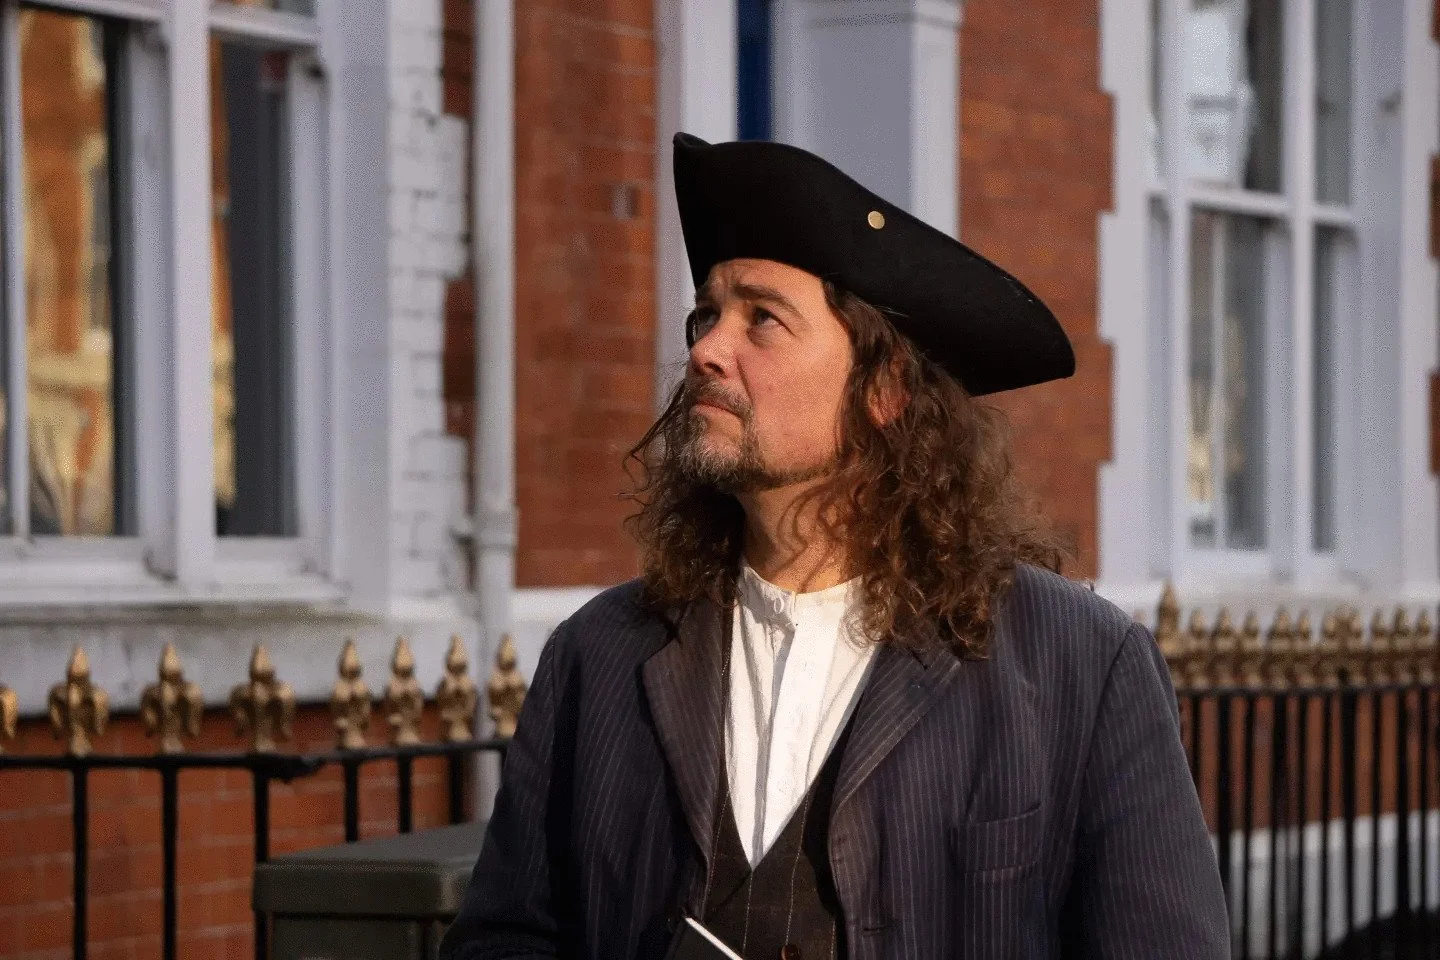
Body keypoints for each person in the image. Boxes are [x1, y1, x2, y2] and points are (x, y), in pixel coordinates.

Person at [440, 133, 1230, 959]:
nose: (707, 348)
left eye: (763, 319)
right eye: (708, 313)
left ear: (884, 391)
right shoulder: (594, 659)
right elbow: (505, 941)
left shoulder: (1083, 669)